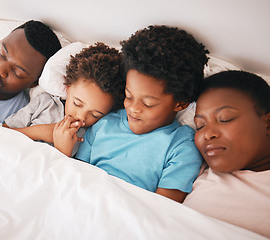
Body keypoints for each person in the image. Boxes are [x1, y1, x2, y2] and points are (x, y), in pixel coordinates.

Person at [75, 25, 209, 203]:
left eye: (148, 103)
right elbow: (76, 174)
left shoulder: (181, 145)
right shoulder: (105, 124)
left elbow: (164, 207)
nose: (133, 109)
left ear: (181, 103)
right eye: (129, 96)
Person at [183, 70, 270, 238]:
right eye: (200, 126)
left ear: (268, 124)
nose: (208, 134)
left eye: (225, 119)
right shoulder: (194, 169)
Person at [4, 42, 125, 157]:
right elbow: (4, 131)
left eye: (95, 114)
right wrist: (40, 132)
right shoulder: (45, 102)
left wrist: (63, 151)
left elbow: (69, 174)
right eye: (77, 103)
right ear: (68, 87)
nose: (81, 117)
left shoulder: (88, 136)